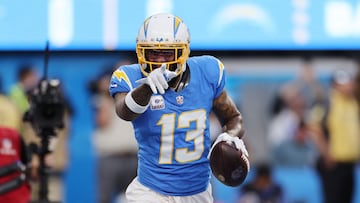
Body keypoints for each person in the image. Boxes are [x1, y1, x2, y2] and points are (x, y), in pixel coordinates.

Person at [109, 13, 249, 203]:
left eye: (167, 53)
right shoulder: (130, 77)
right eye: (153, 53)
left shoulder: (207, 72)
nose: (159, 60)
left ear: (182, 52)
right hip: (152, 191)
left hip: (198, 191)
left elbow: (233, 118)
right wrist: (146, 88)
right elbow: (124, 111)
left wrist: (231, 136)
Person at [308, 69, 360, 203]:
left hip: (349, 163)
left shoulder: (352, 102)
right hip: (333, 163)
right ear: (336, 85)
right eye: (345, 83)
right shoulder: (327, 102)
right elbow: (314, 128)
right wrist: (326, 153)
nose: (349, 86)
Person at [90, 65, 137, 203]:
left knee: (135, 198)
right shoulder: (101, 100)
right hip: (110, 157)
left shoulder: (132, 97)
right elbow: (102, 121)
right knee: (104, 198)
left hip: (133, 156)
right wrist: (107, 94)